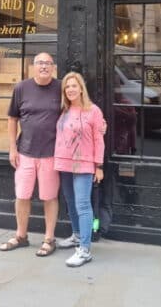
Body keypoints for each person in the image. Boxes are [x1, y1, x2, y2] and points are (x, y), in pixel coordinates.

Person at [0, 52, 61, 257]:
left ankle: (49, 239)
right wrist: (12, 148)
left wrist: (99, 122)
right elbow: (12, 119)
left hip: (51, 153)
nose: (44, 66)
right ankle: (21, 236)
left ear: (53, 67)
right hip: (25, 152)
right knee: (22, 195)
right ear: (33, 66)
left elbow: (80, 107)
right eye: (40, 63)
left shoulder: (61, 88)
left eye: (48, 63)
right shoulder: (22, 88)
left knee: (49, 197)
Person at [53, 72, 105, 267]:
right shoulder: (64, 111)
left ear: (81, 88)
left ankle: (85, 249)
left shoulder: (93, 111)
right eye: (67, 87)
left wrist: (98, 166)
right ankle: (76, 235)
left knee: (83, 204)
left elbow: (99, 140)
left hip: (84, 164)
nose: (71, 90)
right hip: (64, 162)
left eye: (74, 86)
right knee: (70, 201)